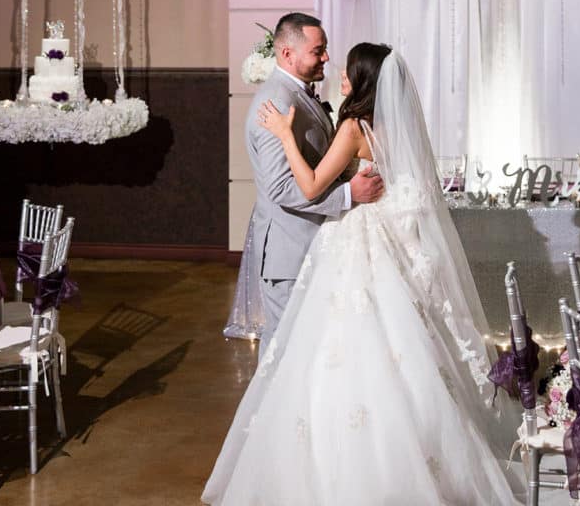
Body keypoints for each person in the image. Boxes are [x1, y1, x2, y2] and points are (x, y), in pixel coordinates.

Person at [202, 43, 524, 506]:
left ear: (365, 81)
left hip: (354, 249)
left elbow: (311, 186)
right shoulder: (400, 131)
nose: (341, 76)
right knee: (403, 352)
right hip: (390, 253)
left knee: (333, 355)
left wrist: (287, 135)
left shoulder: (355, 128)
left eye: (350, 72)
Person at [244, 13, 383, 357]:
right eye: (318, 50)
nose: (326, 58)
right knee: (285, 351)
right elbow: (279, 187)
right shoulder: (276, 102)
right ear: (288, 54)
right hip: (289, 252)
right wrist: (349, 194)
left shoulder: (300, 94)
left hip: (316, 246)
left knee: (311, 354)